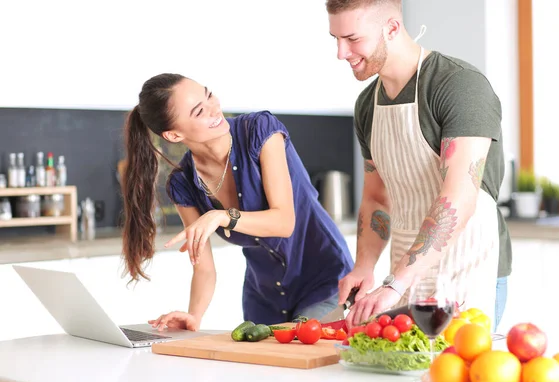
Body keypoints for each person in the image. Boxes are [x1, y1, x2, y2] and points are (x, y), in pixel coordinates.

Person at [326, 0, 512, 331]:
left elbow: (458, 198)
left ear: (392, 28)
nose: (341, 53)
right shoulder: (368, 105)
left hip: (467, 270)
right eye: (335, 39)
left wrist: (396, 282)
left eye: (352, 39)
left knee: (450, 380)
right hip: (401, 280)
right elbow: (376, 198)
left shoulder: (458, 86)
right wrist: (364, 267)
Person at [120, 73, 354, 330]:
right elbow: (204, 268)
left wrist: (221, 216)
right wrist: (194, 316)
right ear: (174, 135)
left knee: (302, 351)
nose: (214, 109)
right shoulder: (183, 184)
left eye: (209, 95)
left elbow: (284, 222)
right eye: (199, 111)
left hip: (323, 280)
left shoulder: (259, 131)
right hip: (264, 297)